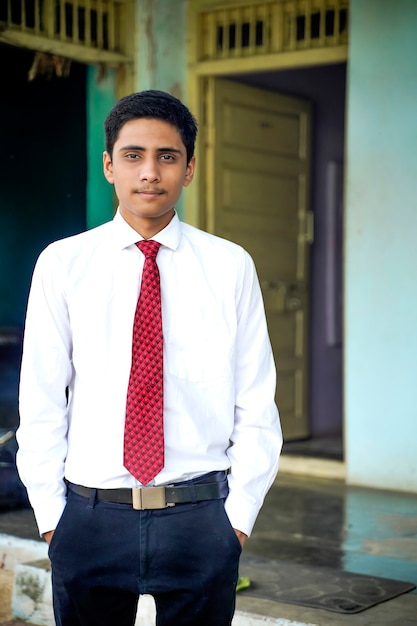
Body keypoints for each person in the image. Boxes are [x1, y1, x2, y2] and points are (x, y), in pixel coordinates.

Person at [17, 90, 282, 626]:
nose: (150, 172)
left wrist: (236, 519)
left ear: (188, 169)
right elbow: (42, 398)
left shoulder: (230, 266)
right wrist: (53, 519)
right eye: (134, 155)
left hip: (201, 516)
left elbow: (256, 401)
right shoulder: (63, 264)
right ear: (109, 165)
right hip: (89, 517)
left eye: (168, 156)